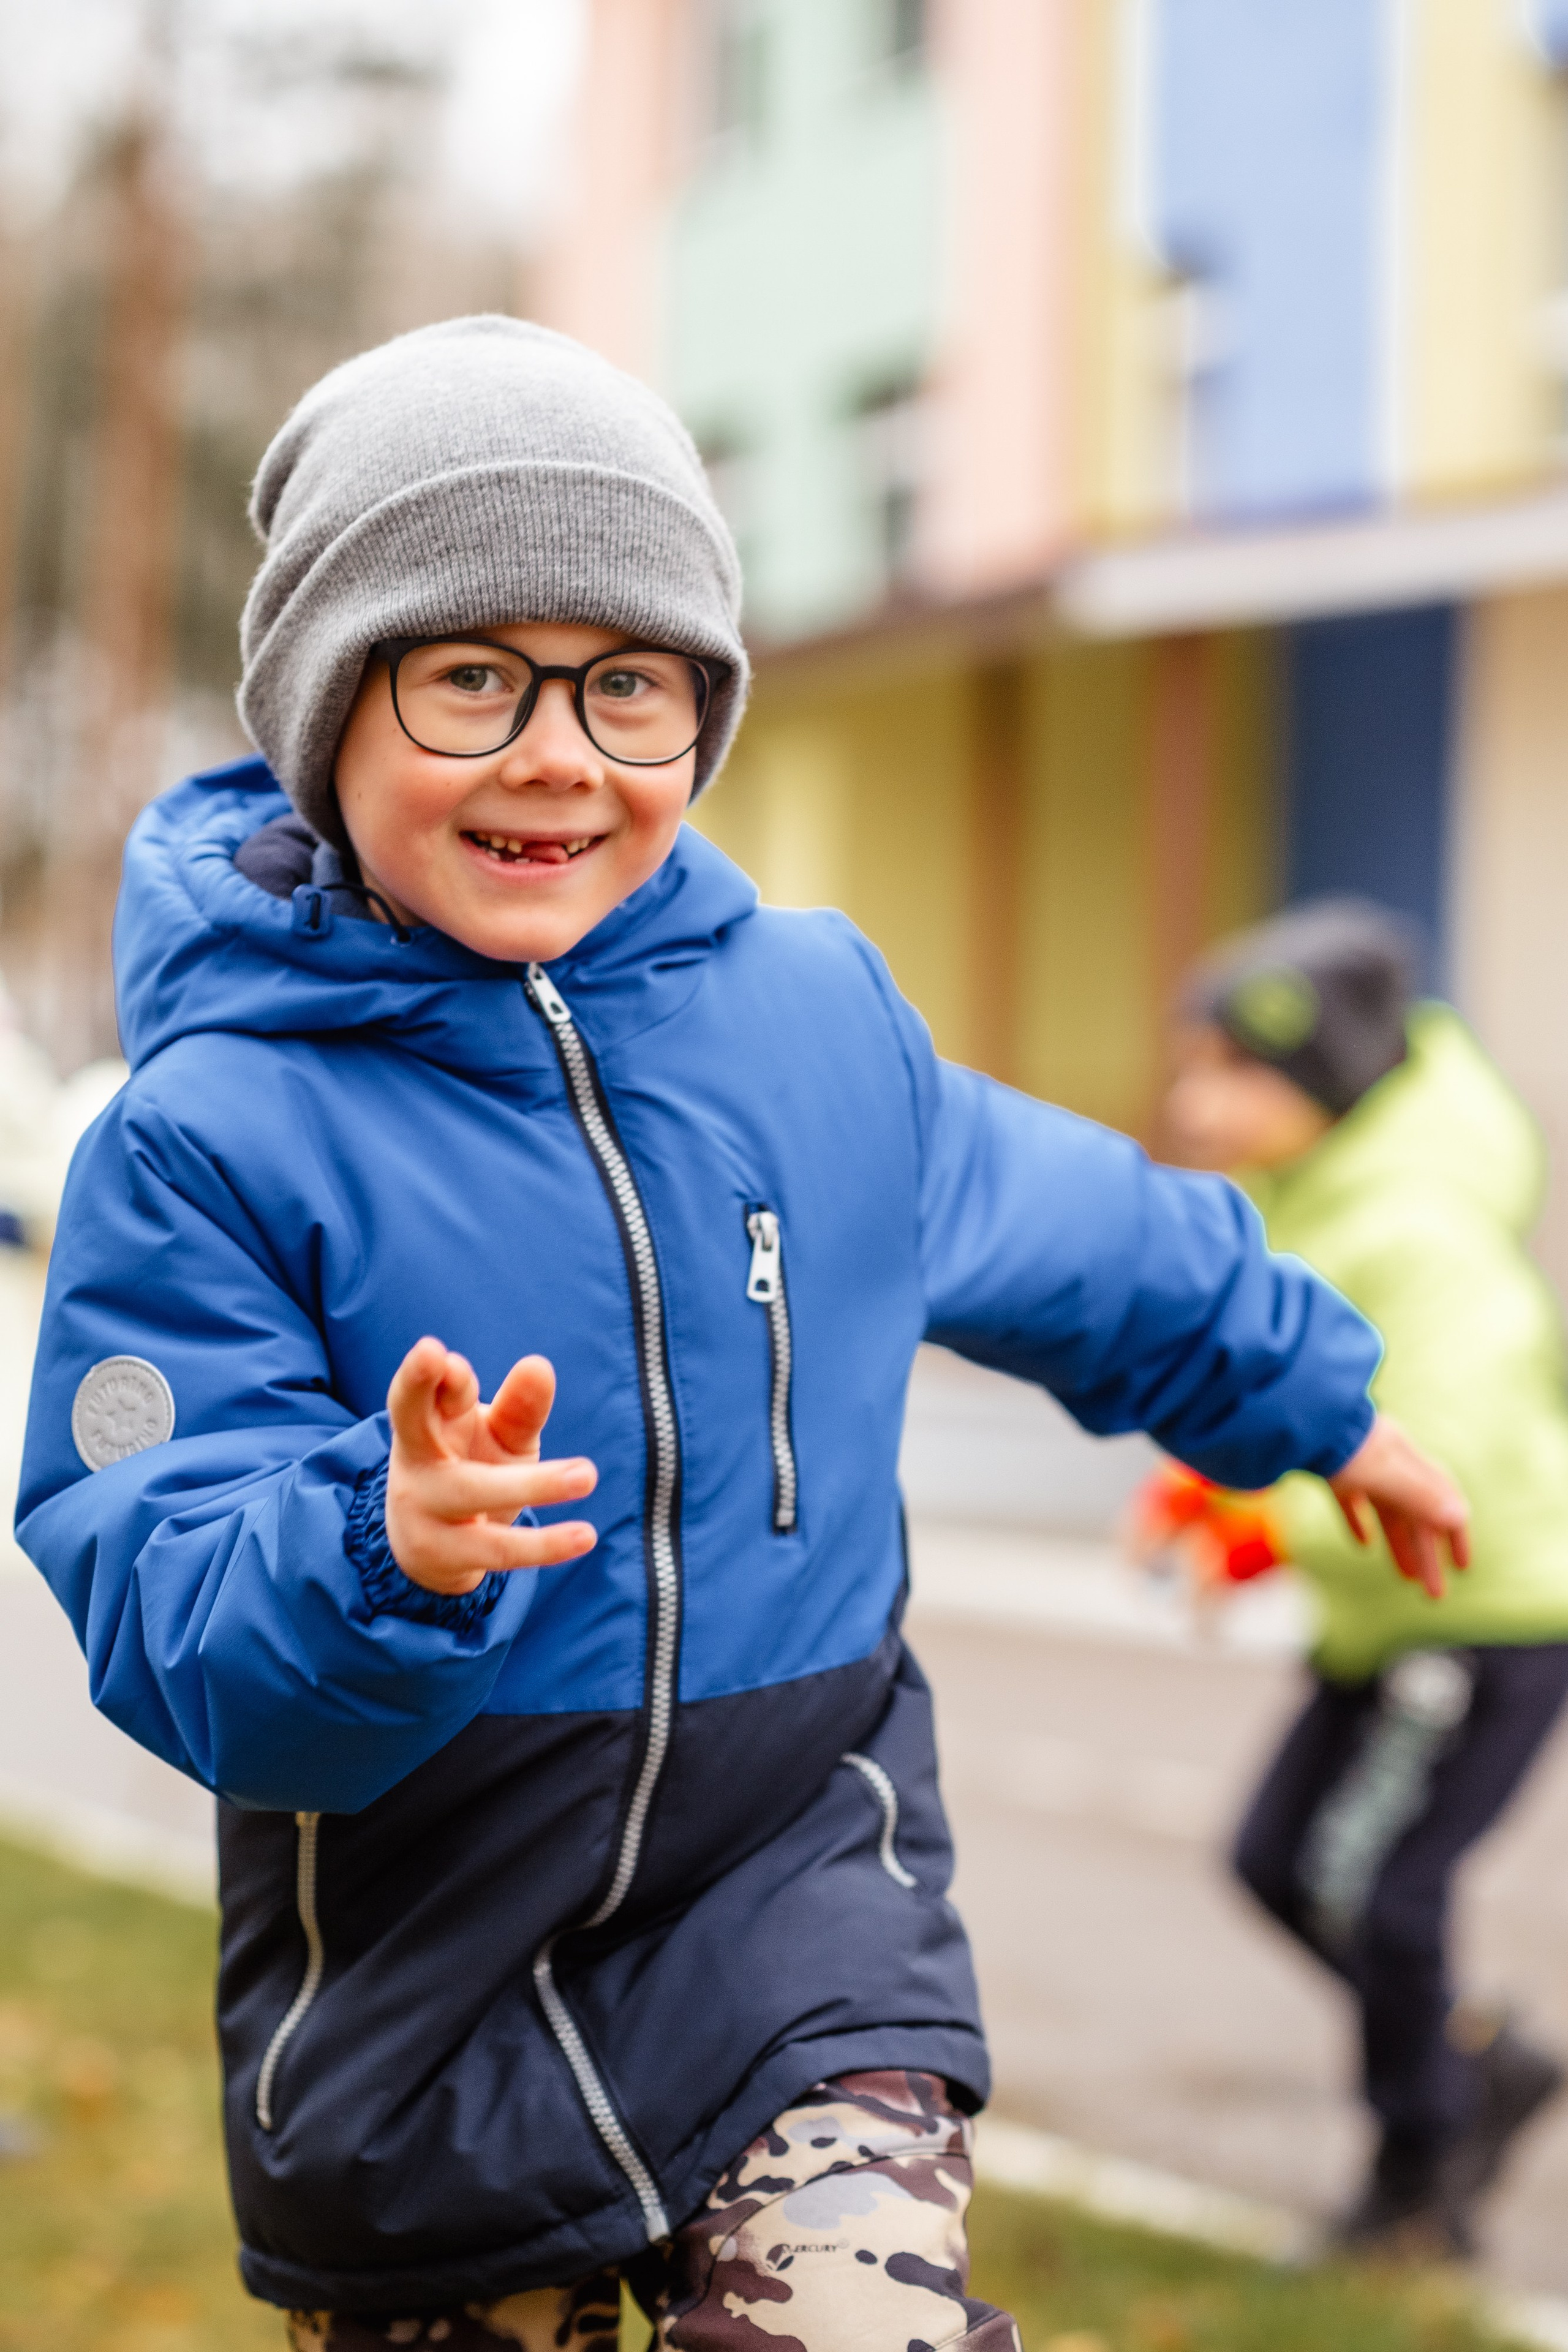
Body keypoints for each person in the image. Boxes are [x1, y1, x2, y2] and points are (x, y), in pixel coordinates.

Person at [18, 321, 1464, 2351]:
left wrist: (1315, 1393)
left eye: (630, 684)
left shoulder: (810, 1021)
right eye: (469, 677)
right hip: (429, 1974)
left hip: (798, 1890)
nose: (557, 752)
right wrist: (378, 1539)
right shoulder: (213, 1134)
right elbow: (161, 1588)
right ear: (324, 710)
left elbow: (1071, 1226)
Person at [1145, 897, 1568, 2262]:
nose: (1191, 1104)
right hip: (1382, 1620)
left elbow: (1445, 1460)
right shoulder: (1311, 1202)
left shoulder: (1417, 1230)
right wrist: (1207, 1483)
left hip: (1479, 1615)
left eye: (1230, 1072)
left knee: (1381, 1889)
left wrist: (1266, 1530)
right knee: (1277, 1861)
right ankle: (1473, 2057)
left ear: (1315, 1081)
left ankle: (1418, 2181)